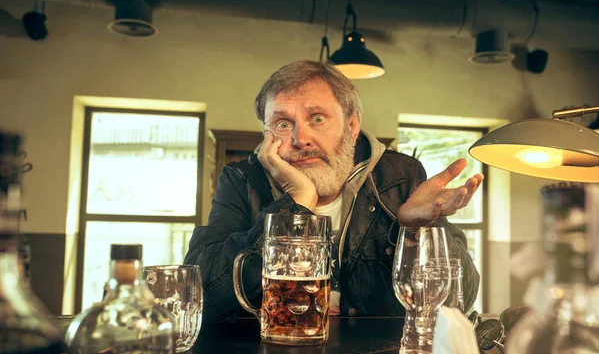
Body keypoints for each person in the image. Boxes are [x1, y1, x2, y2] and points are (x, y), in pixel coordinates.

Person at [184, 60, 482, 323]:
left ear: (351, 126)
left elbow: (460, 303)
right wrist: (296, 204)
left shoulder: (399, 178)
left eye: (317, 118)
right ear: (266, 136)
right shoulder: (242, 181)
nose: (301, 139)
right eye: (283, 124)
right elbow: (198, 298)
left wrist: (419, 232)